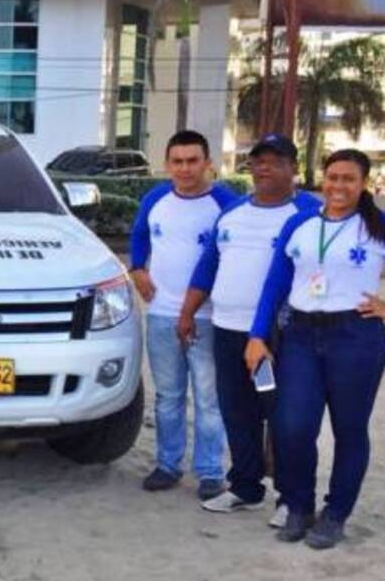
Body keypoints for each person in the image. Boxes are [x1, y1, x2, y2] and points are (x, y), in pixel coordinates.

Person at [248, 148, 385, 549]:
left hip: (356, 336)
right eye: (333, 177)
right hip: (301, 337)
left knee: (349, 429)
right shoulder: (300, 223)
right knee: (292, 425)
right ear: (323, 180)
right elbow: (275, 283)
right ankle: (298, 505)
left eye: (349, 179)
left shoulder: (377, 226)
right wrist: (257, 335)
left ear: (364, 184)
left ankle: (335, 514)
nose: (339, 186)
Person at [180, 134, 318, 523]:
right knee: (237, 411)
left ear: (293, 168)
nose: (264, 168)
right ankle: (245, 486)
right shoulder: (233, 212)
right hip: (227, 329)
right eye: (258, 161)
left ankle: (290, 498)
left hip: (274, 336)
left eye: (275, 161)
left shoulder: (309, 213)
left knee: (282, 415)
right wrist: (187, 313)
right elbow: (208, 267)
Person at [130, 129, 238, 500]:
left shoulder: (227, 203)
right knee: (168, 396)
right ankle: (167, 464)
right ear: (167, 164)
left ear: (208, 163)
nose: (185, 168)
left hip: (208, 317)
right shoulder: (155, 198)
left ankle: (210, 471)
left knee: (209, 398)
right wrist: (137, 268)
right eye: (177, 161)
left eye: (193, 160)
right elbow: (139, 235)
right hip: (161, 314)